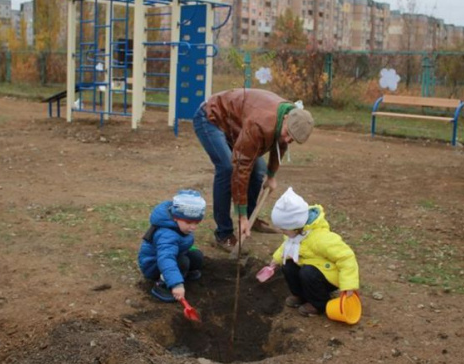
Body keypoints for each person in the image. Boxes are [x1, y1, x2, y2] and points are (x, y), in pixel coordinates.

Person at [193, 89, 314, 251]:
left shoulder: (291, 118)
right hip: (212, 118)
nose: (287, 139)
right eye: (287, 134)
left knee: (259, 171)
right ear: (285, 119)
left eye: (292, 139)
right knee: (227, 168)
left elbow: (281, 144)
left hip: (236, 125)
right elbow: (241, 167)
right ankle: (223, 233)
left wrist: (271, 175)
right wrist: (240, 214)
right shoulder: (261, 124)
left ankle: (251, 218)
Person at [267, 187, 360, 317]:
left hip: (327, 276)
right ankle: (301, 295)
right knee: (288, 266)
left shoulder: (321, 238)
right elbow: (286, 246)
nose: (282, 231)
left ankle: (319, 303)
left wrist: (349, 285)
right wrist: (276, 259)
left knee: (308, 272)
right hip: (309, 269)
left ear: (296, 226)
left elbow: (346, 257)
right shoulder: (293, 235)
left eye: (284, 229)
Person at [138, 190, 206, 303]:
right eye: (189, 223)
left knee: (196, 256)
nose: (193, 227)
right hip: (154, 265)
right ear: (176, 218)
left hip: (172, 256)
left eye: (196, 223)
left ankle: (181, 274)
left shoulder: (180, 225)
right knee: (183, 262)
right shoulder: (167, 235)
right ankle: (162, 285)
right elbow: (165, 259)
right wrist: (176, 284)